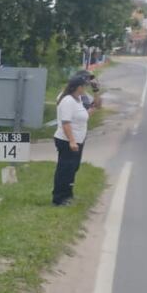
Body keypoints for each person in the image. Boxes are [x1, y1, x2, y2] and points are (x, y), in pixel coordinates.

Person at [52, 75, 93, 206]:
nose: (85, 88)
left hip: (78, 140)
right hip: (66, 140)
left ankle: (68, 194)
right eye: (84, 86)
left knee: (73, 168)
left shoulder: (78, 99)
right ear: (78, 87)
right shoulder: (68, 100)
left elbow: (81, 116)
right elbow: (66, 123)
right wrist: (72, 141)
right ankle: (59, 198)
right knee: (64, 169)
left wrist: (93, 109)